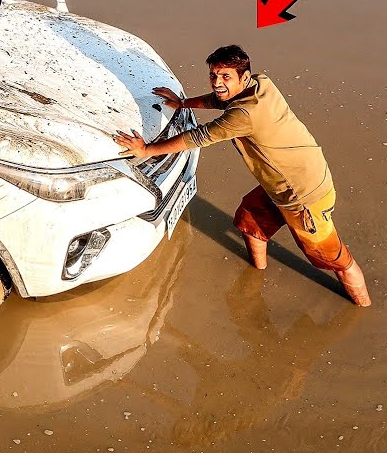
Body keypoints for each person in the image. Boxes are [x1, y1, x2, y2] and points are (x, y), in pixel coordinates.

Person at [112, 45, 371, 306]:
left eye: (225, 77)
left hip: (304, 196)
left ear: (243, 77)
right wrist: (182, 103)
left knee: (336, 260)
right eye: (214, 75)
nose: (217, 83)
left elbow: (198, 137)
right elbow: (221, 99)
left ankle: (363, 308)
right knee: (250, 221)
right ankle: (255, 279)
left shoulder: (244, 115)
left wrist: (146, 149)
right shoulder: (261, 83)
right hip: (286, 182)